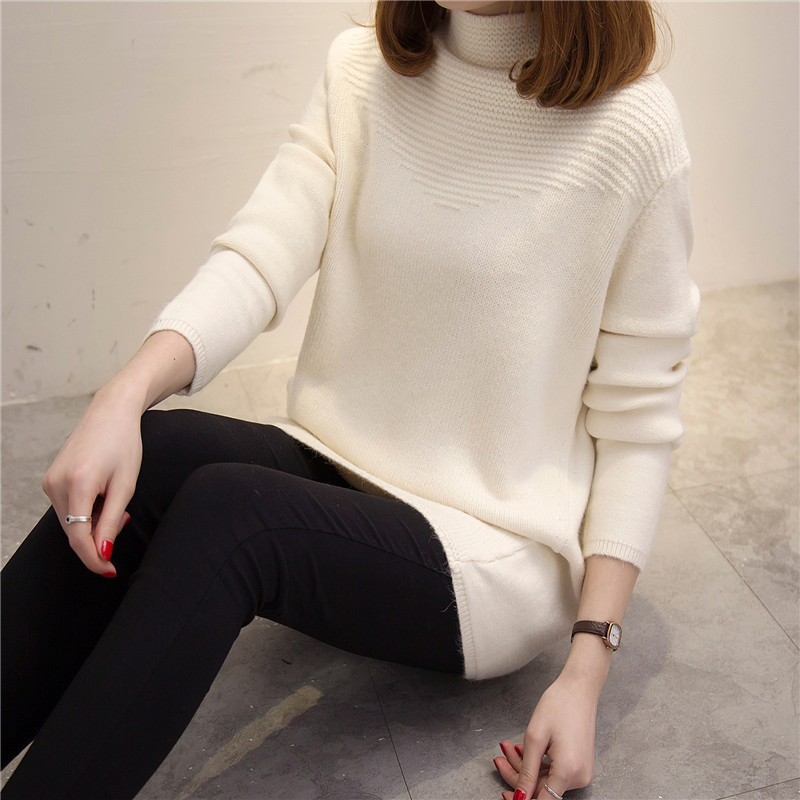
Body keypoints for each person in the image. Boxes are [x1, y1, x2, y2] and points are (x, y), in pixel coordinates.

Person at [0, 1, 699, 798]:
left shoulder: (633, 131)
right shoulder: (364, 69)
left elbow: (639, 425)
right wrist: (121, 397)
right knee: (156, 451)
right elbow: (262, 252)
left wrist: (584, 673)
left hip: (490, 545)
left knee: (233, 518)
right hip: (344, 461)